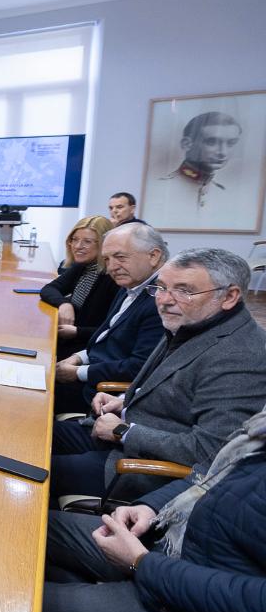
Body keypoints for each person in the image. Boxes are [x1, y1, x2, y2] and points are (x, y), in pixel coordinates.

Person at [49, 248, 266, 505]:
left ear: (229, 296)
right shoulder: (196, 321)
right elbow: (172, 388)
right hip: (119, 433)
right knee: (29, 436)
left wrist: (123, 431)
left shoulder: (240, 356)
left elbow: (211, 451)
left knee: (35, 470)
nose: (164, 300)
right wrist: (124, 399)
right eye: (161, 287)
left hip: (139, 469)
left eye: (184, 290)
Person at [43, 403, 266, 612]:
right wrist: (151, 507)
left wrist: (141, 563)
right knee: (36, 528)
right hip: (168, 544)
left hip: (186, 599)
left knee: (24, 604)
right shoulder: (259, 431)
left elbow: (253, 602)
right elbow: (208, 475)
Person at [52, 223, 166, 414]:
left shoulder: (161, 300)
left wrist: (78, 372)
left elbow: (139, 367)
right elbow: (104, 336)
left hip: (101, 394)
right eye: (106, 259)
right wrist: (77, 358)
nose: (112, 267)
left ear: (153, 256)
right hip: (92, 374)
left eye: (120, 257)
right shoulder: (130, 286)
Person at [41, 215, 118, 360]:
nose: (77, 246)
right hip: (67, 342)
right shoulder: (83, 266)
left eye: (87, 241)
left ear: (103, 244)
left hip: (85, 352)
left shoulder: (113, 278)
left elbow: (113, 331)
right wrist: (64, 304)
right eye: (74, 239)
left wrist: (78, 332)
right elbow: (50, 288)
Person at [151, 111, 241, 224]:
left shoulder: (225, 195)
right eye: (212, 142)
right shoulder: (160, 189)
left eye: (230, 143)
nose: (223, 152)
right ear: (186, 144)